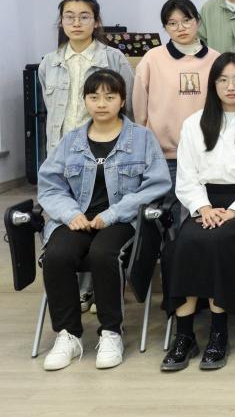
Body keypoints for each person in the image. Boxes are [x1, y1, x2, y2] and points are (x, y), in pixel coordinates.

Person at [37, 69, 171, 371]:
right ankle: (68, 335)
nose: (101, 103)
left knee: (103, 253)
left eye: (109, 97)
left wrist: (113, 214)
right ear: (85, 100)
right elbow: (50, 185)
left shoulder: (141, 138)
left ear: (122, 100)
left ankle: (111, 332)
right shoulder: (71, 140)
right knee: (56, 255)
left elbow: (156, 184)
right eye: (94, 97)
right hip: (77, 218)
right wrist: (70, 213)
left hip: (122, 219)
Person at [160, 53, 235, 372]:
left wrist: (234, 210)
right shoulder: (194, 123)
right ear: (213, 84)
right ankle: (184, 336)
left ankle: (219, 333)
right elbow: (186, 175)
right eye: (223, 80)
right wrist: (203, 207)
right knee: (183, 244)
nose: (231, 86)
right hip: (204, 203)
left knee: (219, 242)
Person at [132, 0, 220, 205]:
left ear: (198, 21)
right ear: (165, 27)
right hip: (164, 156)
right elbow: (139, 109)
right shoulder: (153, 58)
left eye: (186, 20)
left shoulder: (216, 59)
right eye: (172, 23)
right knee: (166, 211)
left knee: (203, 210)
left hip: (206, 153)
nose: (181, 28)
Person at [39, 0, 134, 158]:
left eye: (84, 17)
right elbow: (51, 109)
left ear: (96, 22)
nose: (76, 23)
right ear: (61, 22)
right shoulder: (49, 62)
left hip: (104, 150)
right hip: (60, 151)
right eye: (69, 17)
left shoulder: (114, 59)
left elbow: (129, 108)